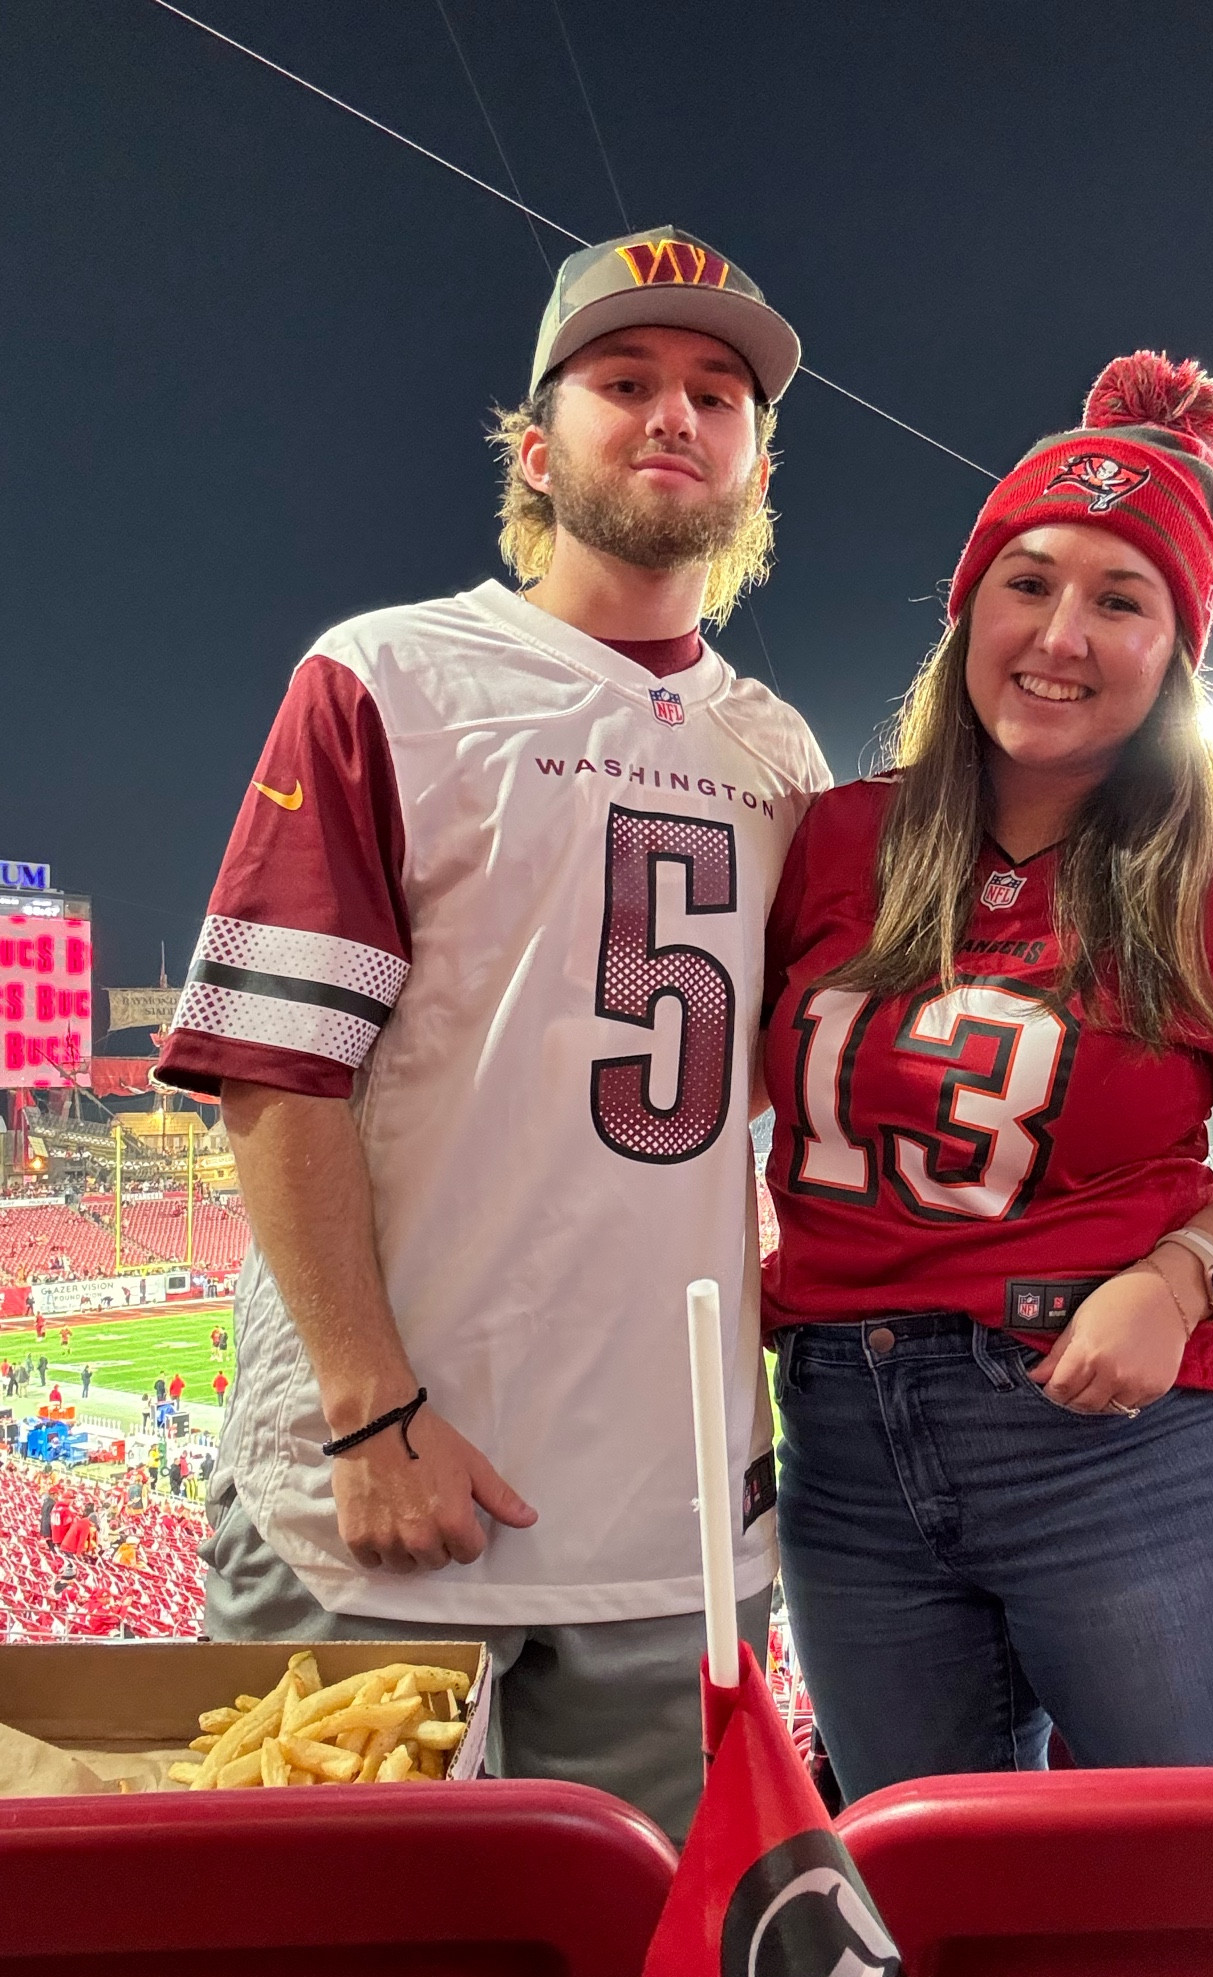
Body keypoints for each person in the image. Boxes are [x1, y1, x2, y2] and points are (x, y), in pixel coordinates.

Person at [152, 228, 827, 1841]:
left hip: (668, 1521)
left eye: (718, 393)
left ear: (755, 463)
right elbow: (274, 1068)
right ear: (537, 447)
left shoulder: (783, 756)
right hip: (381, 1490)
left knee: (650, 1955)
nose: (675, 414)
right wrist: (368, 1408)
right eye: (625, 379)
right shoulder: (388, 676)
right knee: (340, 1952)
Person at [761, 351, 1213, 1793]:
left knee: (1212, 1890)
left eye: (1122, 600)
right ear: (967, 609)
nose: (1060, 634)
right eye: (1027, 582)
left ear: (1176, 654)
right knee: (930, 1883)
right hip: (843, 1442)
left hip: (1123, 1440)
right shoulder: (833, 839)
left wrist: (1178, 1284)